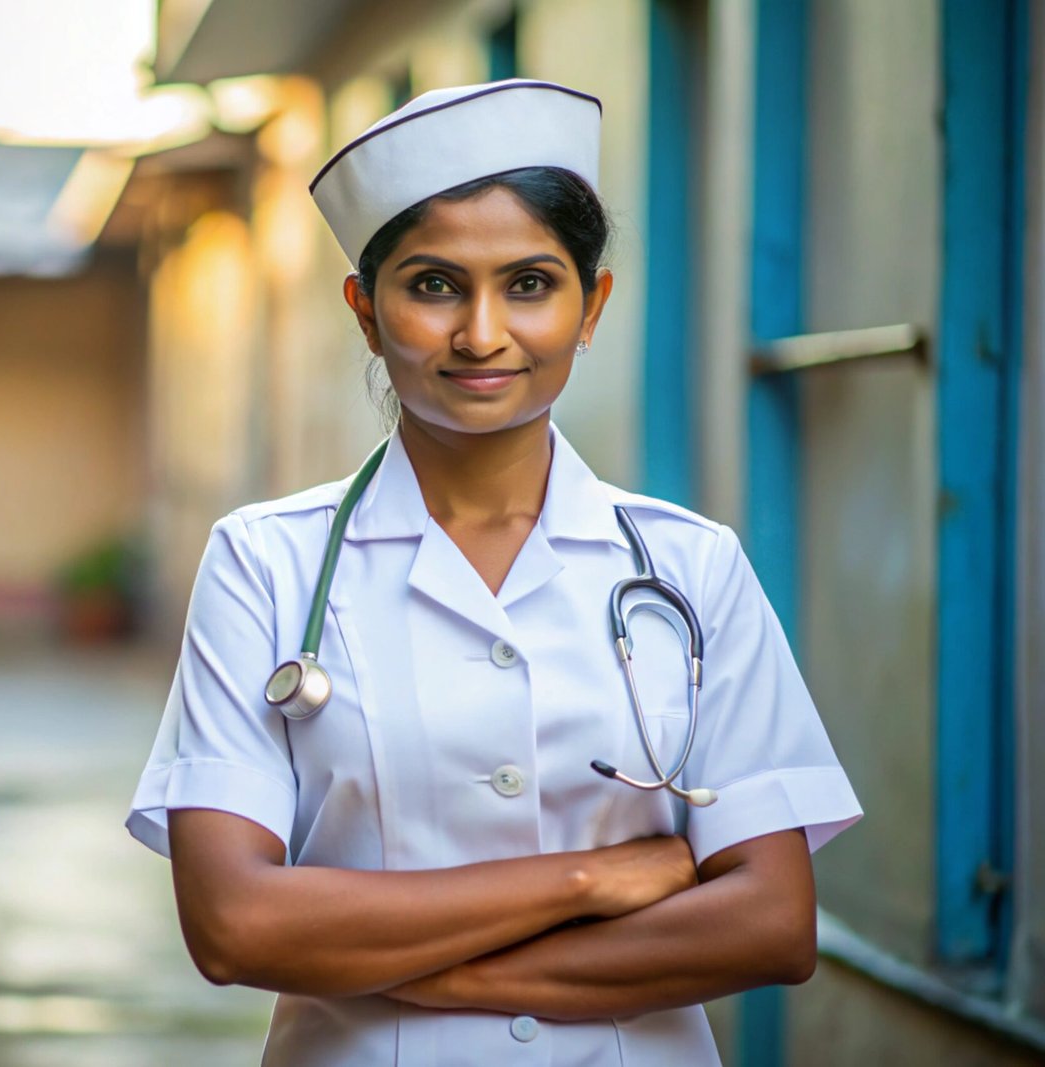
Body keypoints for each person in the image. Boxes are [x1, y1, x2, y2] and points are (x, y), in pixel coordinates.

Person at [125, 78, 862, 1066]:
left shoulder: (690, 566)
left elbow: (770, 922)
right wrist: (588, 882)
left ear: (590, 303)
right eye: (432, 284)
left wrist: (401, 961)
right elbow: (236, 926)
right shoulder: (266, 562)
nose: (480, 332)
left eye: (529, 283)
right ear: (364, 308)